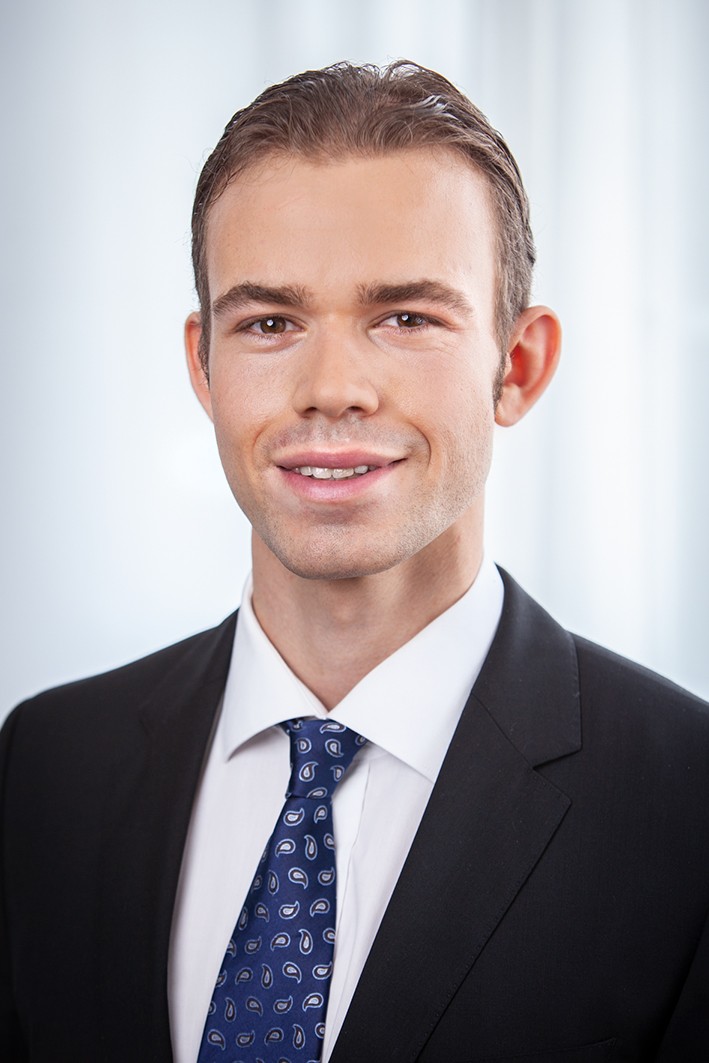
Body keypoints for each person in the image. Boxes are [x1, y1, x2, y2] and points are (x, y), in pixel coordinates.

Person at [1, 60, 708, 1063]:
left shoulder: (684, 802)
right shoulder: (45, 766)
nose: (331, 387)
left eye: (405, 317)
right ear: (204, 364)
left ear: (517, 365)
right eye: (270, 323)